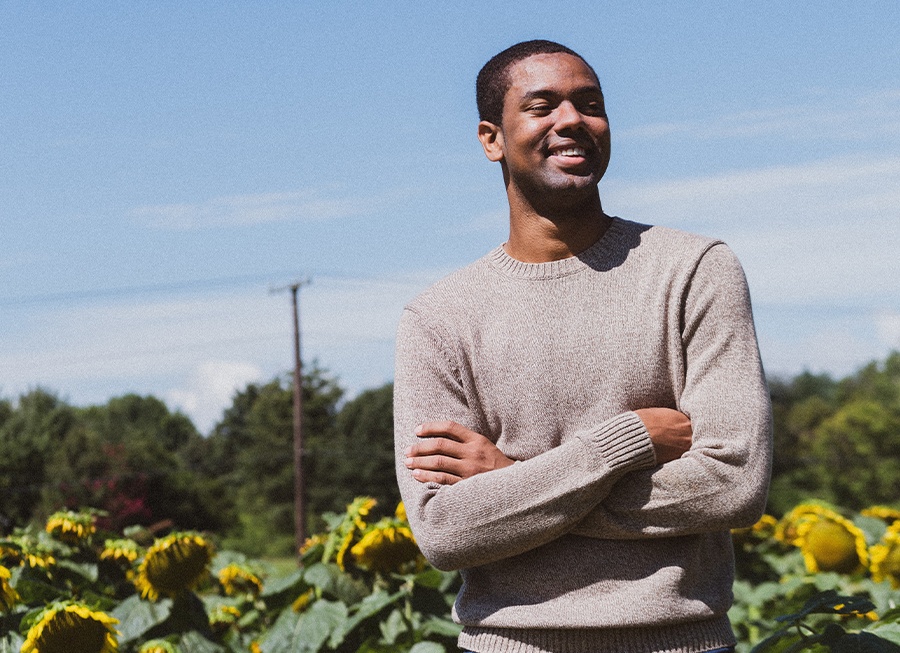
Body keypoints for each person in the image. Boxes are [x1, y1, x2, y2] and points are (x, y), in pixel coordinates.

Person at [394, 39, 772, 653]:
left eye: (589, 104)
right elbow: (444, 531)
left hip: (684, 642)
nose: (571, 120)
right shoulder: (438, 319)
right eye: (542, 106)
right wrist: (619, 447)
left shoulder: (695, 269)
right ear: (492, 139)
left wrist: (516, 479)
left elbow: (733, 483)